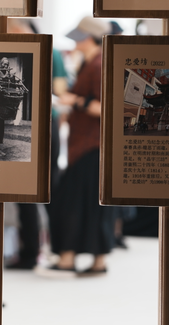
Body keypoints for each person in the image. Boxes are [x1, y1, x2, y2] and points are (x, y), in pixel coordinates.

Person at [39, 16, 113, 278]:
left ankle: (69, 258)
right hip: (88, 145)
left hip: (90, 146)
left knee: (72, 203)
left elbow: (106, 108)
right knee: (91, 205)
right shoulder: (93, 63)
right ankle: (95, 261)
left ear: (88, 38)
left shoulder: (99, 65)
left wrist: (74, 100)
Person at [0, 56, 27, 158]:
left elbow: (10, 87)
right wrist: (4, 78)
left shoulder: (8, 75)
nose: (6, 65)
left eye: (7, 64)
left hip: (2, 105)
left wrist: (13, 80)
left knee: (0, 127)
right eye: (4, 64)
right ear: (1, 64)